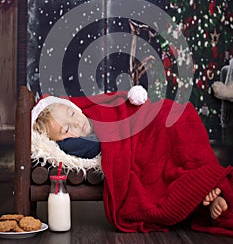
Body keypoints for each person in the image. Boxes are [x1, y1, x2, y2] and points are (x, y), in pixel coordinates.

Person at [32, 86, 233, 235]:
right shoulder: (80, 143)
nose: (76, 122)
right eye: (67, 130)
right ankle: (206, 188)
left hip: (150, 119)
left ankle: (210, 184)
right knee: (162, 158)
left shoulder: (96, 110)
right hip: (137, 143)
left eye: (72, 113)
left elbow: (118, 101)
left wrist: (133, 97)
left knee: (180, 117)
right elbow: (84, 146)